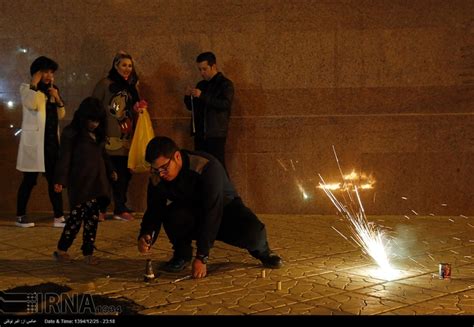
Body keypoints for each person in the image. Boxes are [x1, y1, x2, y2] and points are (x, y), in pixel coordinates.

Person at [137, 136, 282, 279]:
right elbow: (155, 208)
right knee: (172, 214)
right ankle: (182, 254)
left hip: (225, 210)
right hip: (193, 214)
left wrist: (202, 257)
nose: (161, 174)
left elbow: (212, 211)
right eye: (156, 170)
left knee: (253, 234)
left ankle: (264, 252)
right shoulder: (157, 176)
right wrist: (146, 233)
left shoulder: (206, 166)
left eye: (164, 168)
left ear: (177, 156)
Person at [53, 97, 117, 265]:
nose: (94, 124)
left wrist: (111, 171)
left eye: (97, 121)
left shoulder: (98, 135)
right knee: (75, 219)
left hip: (98, 183)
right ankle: (62, 249)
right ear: (83, 117)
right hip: (80, 184)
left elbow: (104, 156)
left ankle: (88, 252)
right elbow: (64, 158)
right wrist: (60, 180)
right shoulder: (71, 134)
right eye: (91, 120)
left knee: (92, 220)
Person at [15, 56, 66, 228]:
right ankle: (21, 215)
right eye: (45, 71)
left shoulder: (53, 90)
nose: (49, 75)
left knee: (54, 180)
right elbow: (32, 104)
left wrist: (57, 98)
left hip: (51, 144)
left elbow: (61, 115)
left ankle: (58, 216)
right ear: (36, 73)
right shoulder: (27, 88)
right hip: (35, 145)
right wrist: (34, 83)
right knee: (29, 181)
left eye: (51, 72)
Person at [92, 51, 144, 222]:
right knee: (106, 175)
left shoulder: (132, 86)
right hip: (107, 138)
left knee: (124, 175)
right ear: (115, 66)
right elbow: (93, 108)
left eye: (130, 65)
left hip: (126, 139)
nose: (127, 69)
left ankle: (120, 208)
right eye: (124, 65)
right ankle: (100, 208)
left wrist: (138, 109)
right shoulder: (104, 84)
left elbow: (132, 108)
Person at [184, 52, 234, 171]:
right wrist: (187, 97)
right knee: (200, 168)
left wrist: (202, 96)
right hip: (200, 133)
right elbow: (192, 107)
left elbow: (225, 104)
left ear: (213, 66)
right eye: (199, 69)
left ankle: (225, 190)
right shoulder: (201, 84)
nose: (202, 73)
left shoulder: (225, 84)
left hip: (215, 133)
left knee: (218, 166)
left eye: (204, 69)